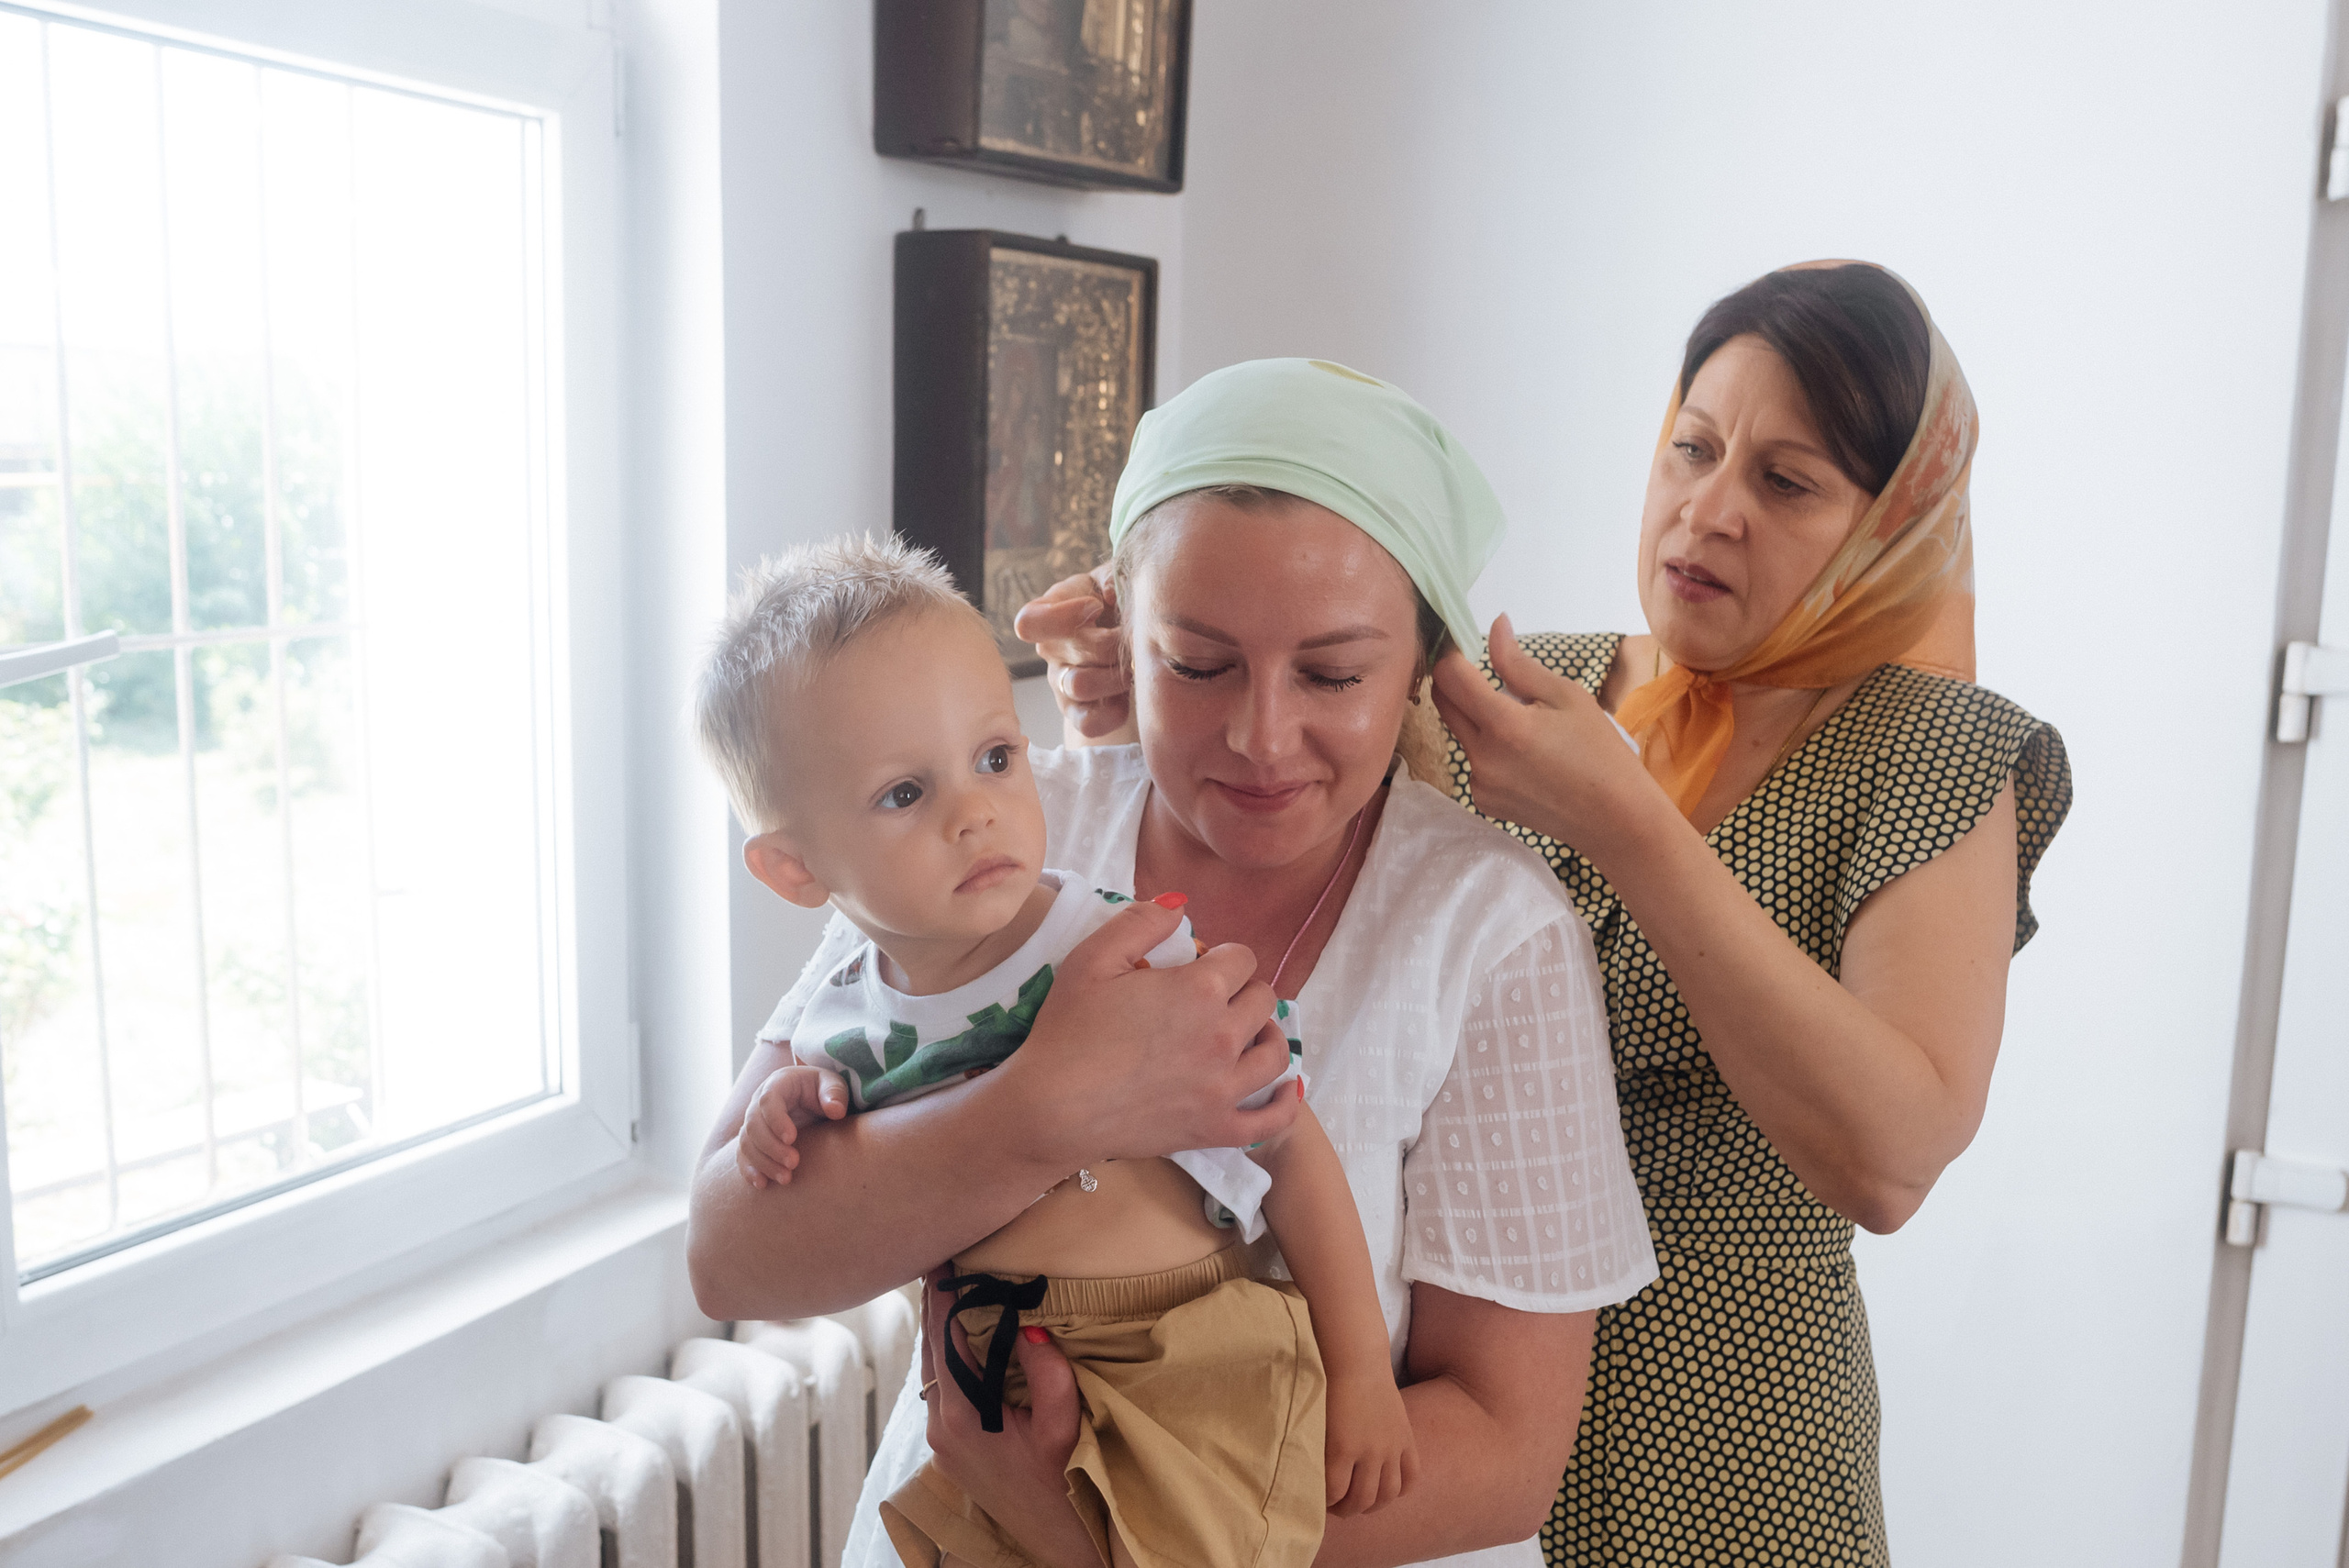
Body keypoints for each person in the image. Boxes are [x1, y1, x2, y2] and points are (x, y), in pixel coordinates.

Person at [1020, 268, 2073, 1565]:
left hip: (1729, 1417)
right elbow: (1289, 781)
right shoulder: (1528, 689)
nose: (1710, 511)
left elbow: (1891, 1159)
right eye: (1694, 448)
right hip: (1427, 1402)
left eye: (1786, 482)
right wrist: (1153, 657)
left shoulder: (1932, 754)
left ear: (1890, 525)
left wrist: (1633, 829)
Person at [688, 358, 1657, 1568]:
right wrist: (1044, 1107)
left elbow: (1503, 1457)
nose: (1261, 735)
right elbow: (733, 1252)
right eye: (1197, 664)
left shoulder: (1488, 929)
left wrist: (1089, 1530)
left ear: (1418, 664)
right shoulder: (988, 834)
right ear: (1122, 632)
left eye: (1332, 674)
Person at [693, 535, 1412, 1568]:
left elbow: (1289, 1143)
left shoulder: (1119, 946)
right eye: (905, 793)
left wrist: (1362, 1374)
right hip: (996, 1378)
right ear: (795, 869)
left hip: (1176, 1345)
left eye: (995, 757)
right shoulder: (836, 1019)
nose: (974, 811)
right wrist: (785, 1118)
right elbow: (769, 1224)